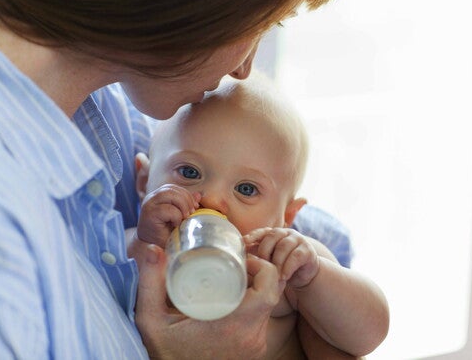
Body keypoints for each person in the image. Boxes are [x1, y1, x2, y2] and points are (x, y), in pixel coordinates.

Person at [0, 0, 353, 358]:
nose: (242, 70)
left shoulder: (110, 104)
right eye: (258, 24)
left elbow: (325, 241)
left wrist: (315, 277)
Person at [131, 73, 390, 359]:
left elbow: (370, 334)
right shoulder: (138, 246)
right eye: (190, 172)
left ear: (286, 216)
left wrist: (313, 276)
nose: (213, 200)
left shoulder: (283, 263)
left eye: (246, 188)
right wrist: (147, 242)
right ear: (144, 182)